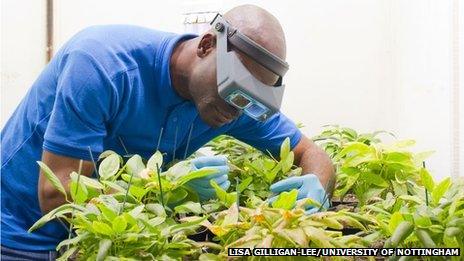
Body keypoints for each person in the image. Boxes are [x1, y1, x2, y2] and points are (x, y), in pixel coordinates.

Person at [0, 4, 334, 259]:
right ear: (205, 45)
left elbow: (312, 153)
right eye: (234, 92)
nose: (237, 110)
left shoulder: (234, 104)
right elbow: (56, 195)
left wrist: (316, 186)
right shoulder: (102, 65)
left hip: (97, 241)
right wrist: (167, 191)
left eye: (253, 103)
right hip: (17, 236)